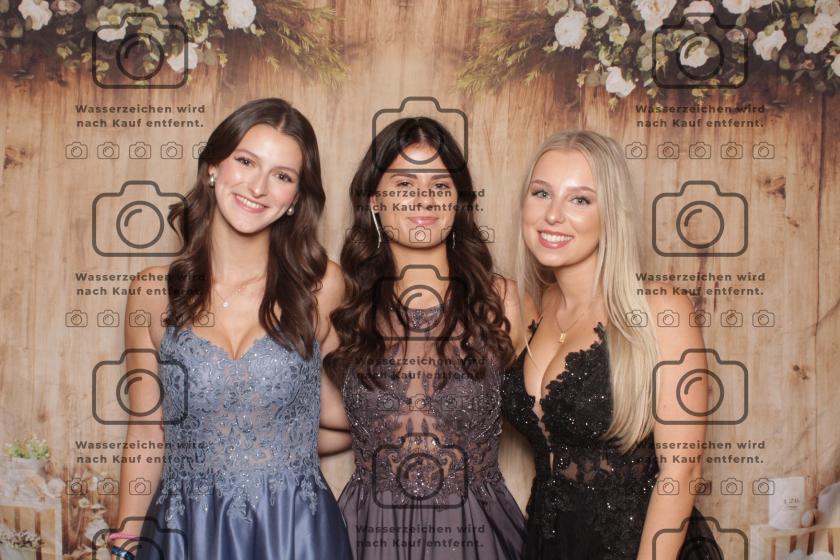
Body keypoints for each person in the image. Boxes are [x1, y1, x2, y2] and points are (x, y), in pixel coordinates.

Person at [109, 98, 352, 560]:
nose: (258, 187)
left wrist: (275, 451)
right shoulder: (152, 292)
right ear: (212, 168)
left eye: (282, 176)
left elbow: (351, 416)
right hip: (185, 529)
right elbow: (146, 432)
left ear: (295, 199)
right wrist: (124, 542)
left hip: (294, 530)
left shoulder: (322, 286)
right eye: (245, 161)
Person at [501, 130, 719, 559]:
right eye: (541, 193)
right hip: (549, 544)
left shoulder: (660, 310)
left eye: (580, 199)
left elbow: (682, 472)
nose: (553, 215)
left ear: (611, 213)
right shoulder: (534, 308)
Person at [321, 117, 527, 559]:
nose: (423, 198)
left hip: (477, 536)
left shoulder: (501, 301)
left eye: (440, 185)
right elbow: (309, 420)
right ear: (374, 200)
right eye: (404, 183)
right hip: (371, 535)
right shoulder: (345, 308)